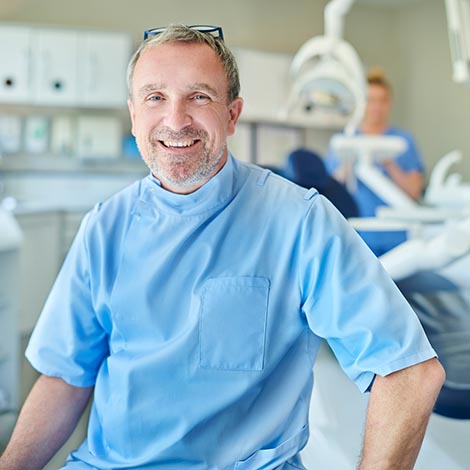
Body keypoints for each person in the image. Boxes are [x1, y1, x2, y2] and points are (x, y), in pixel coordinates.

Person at [0, 25, 444, 470]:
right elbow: (63, 377)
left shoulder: (299, 222)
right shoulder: (104, 227)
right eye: (155, 97)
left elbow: (409, 372)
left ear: (232, 115)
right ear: (134, 115)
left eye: (199, 97)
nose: (175, 120)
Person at [325, 68, 425, 255]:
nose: (377, 107)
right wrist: (349, 161)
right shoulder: (344, 141)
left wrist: (388, 162)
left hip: (396, 235)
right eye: (371, 100)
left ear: (390, 103)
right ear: (361, 103)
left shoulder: (402, 142)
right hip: (358, 233)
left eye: (382, 100)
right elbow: (331, 192)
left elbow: (414, 191)